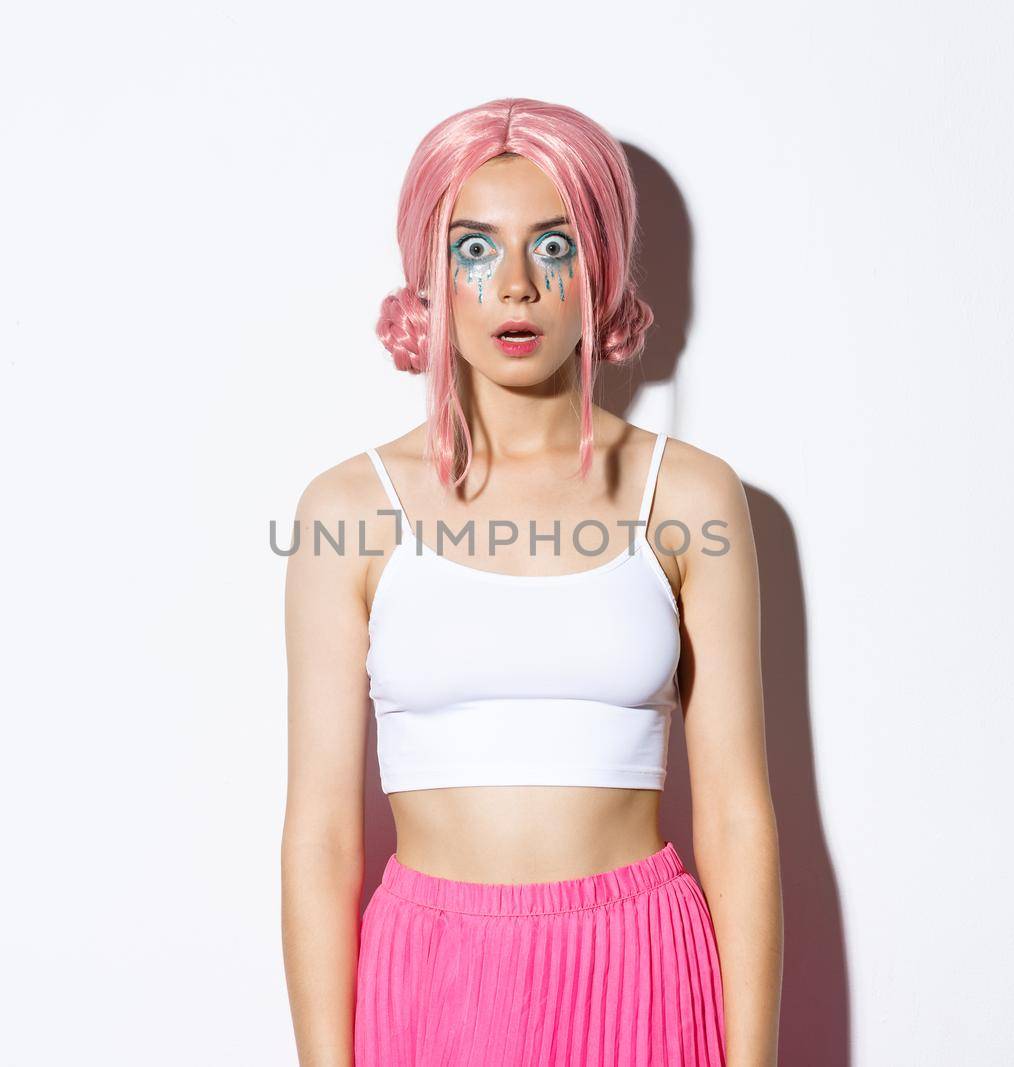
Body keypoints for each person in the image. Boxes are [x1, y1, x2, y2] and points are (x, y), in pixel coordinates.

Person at [282, 97, 782, 1066]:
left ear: (600, 265)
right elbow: (321, 832)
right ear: (430, 275)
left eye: (552, 247)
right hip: (429, 977)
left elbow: (734, 814)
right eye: (475, 249)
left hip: (640, 965)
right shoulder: (348, 506)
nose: (514, 284)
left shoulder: (690, 494)